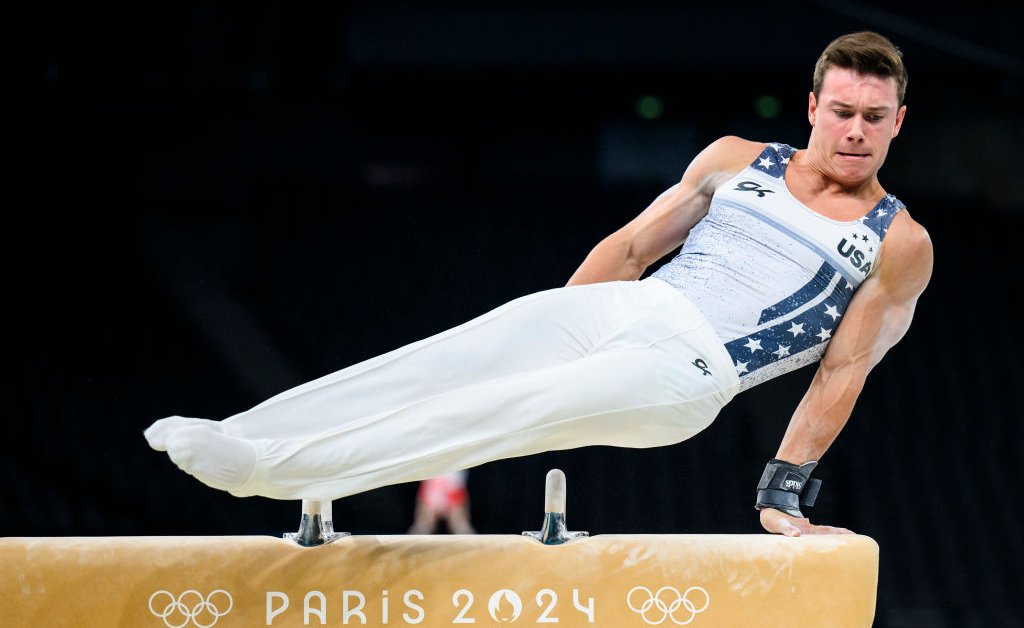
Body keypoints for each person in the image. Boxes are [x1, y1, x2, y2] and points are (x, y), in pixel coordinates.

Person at [144, 31, 932, 537]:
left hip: (690, 370)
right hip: (625, 306)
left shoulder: (896, 241)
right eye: (841, 111)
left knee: (491, 410)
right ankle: (243, 432)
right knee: (446, 360)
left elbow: (844, 369)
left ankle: (268, 473)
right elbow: (627, 249)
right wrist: (561, 322)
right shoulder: (736, 159)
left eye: (873, 115)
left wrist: (782, 492)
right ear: (812, 108)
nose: (855, 131)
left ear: (899, 120)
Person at [407, 470, 477, 535]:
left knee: (459, 524)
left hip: (451, 485)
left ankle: (474, 546)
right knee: (424, 524)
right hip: (434, 485)